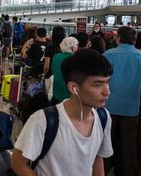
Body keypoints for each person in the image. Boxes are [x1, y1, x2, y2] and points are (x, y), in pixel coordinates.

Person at [12, 49, 114, 176]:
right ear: (73, 88)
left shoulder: (103, 117)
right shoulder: (43, 121)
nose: (107, 91)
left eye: (107, 82)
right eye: (98, 84)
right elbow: (18, 163)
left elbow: (97, 158)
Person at [103, 26, 141, 176]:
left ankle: (103, 170)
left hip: (108, 106)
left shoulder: (108, 54)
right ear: (134, 39)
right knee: (129, 144)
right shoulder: (139, 56)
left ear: (118, 38)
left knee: (106, 142)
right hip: (131, 107)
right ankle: (130, 171)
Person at [51, 37, 79, 104]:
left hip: (57, 92)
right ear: (73, 47)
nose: (77, 47)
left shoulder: (56, 57)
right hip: (71, 94)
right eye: (76, 45)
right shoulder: (75, 59)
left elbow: (53, 71)